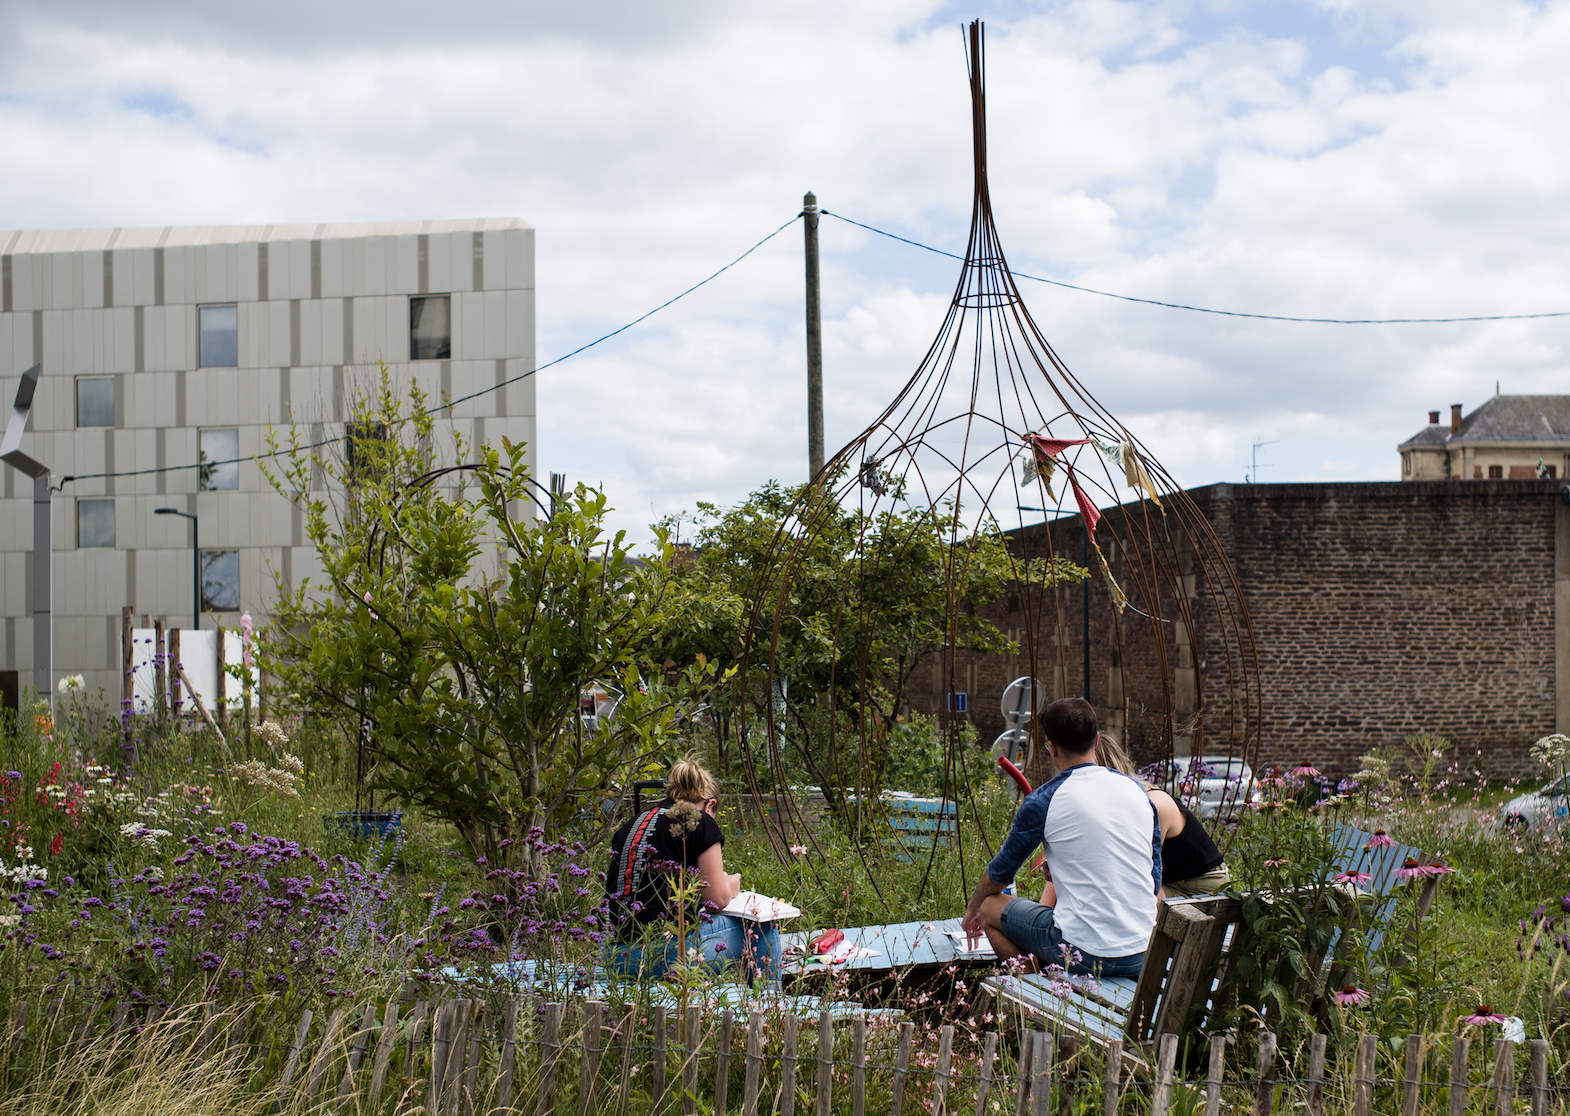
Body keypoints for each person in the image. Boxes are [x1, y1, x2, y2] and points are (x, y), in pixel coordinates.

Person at [962, 698, 1159, 976]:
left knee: (991, 906)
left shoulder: (1046, 799)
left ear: (1052, 747)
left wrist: (973, 907)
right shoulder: (1138, 792)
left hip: (1083, 953)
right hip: (1143, 951)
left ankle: (1035, 991)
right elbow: (1154, 873)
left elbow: (1001, 872)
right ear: (1097, 740)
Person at [604, 758, 782, 982]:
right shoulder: (701, 821)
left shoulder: (632, 824)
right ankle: (768, 1006)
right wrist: (731, 884)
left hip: (615, 958)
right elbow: (716, 899)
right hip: (665, 956)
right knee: (763, 926)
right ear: (710, 805)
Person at [1095, 734, 1231, 898]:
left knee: (1135, 897)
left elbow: (1136, 870)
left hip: (1202, 885)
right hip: (1171, 882)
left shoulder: (1153, 804)